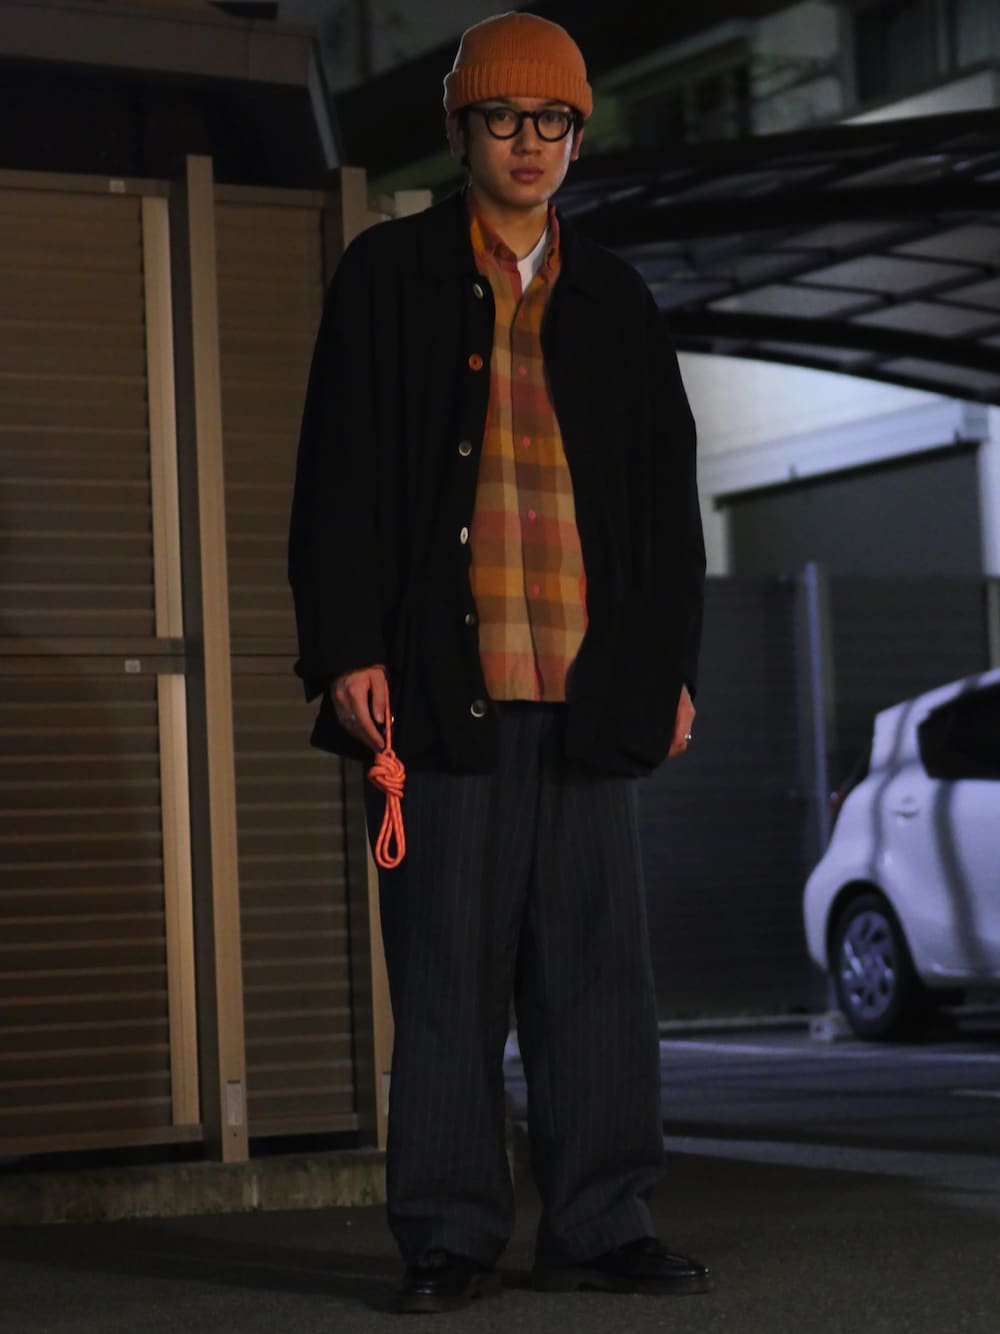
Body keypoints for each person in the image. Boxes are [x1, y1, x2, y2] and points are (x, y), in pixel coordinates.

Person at [288, 10, 708, 1315]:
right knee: (446, 977)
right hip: (439, 692)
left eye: (553, 120)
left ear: (577, 136)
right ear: (462, 130)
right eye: (504, 118)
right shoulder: (389, 276)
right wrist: (346, 647)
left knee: (597, 977)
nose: (530, 142)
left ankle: (602, 1220)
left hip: (589, 693)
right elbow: (336, 475)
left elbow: (666, 504)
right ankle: (449, 1233)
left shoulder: (617, 297)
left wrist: (671, 670)